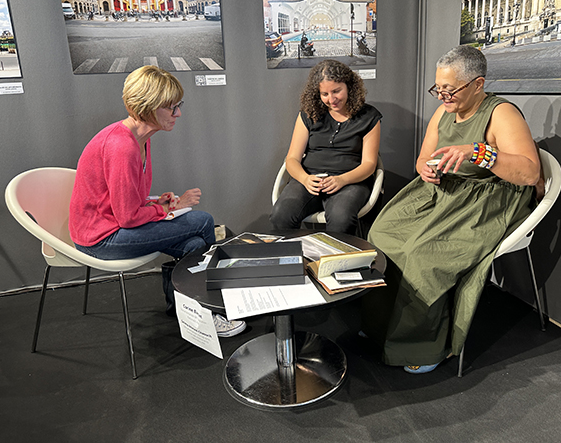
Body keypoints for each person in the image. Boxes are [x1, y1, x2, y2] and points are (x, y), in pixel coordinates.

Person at [361, 45, 541, 373]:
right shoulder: (445, 111)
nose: (443, 96)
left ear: (478, 84)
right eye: (438, 88)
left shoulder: (502, 114)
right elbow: (423, 158)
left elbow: (529, 173)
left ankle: (422, 346)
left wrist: (480, 152)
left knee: (421, 254)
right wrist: (425, 169)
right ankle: (383, 326)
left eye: (450, 89)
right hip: (444, 190)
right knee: (382, 233)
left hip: (485, 200)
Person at [69, 66, 245, 337]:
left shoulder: (139, 139)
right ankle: (210, 307)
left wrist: (156, 202)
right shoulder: (122, 146)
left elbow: (125, 199)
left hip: (111, 225)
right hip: (101, 238)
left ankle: (188, 311)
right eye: (171, 107)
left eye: (178, 106)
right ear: (147, 107)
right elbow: (127, 217)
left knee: (194, 245)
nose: (178, 113)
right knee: (203, 221)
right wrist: (164, 208)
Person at [270, 59, 381, 235]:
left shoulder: (369, 116)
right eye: (324, 94)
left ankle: (336, 255)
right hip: (310, 180)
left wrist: (342, 180)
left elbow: (369, 164)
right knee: (281, 215)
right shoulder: (309, 114)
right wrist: (305, 179)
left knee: (341, 218)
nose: (331, 99)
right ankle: (293, 253)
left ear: (349, 87)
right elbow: (292, 159)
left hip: (350, 181)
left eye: (336, 91)